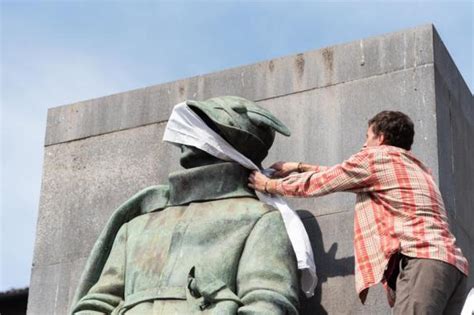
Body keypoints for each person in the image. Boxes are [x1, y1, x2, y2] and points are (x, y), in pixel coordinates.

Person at [72, 96, 300, 314]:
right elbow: (98, 303)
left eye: (195, 125)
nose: (181, 134)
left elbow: (268, 304)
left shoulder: (258, 219)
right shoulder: (137, 223)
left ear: (222, 141)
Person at [249, 110, 469, 314]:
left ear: (380, 138)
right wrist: (298, 166)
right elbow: (345, 175)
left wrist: (269, 185)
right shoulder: (415, 166)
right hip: (453, 268)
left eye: (367, 137)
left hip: (423, 263)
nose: (364, 144)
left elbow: (325, 182)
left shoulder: (375, 158)